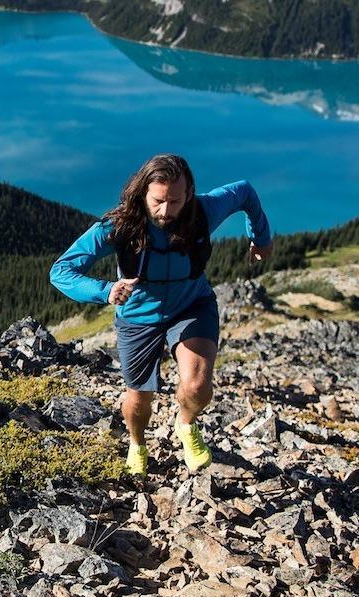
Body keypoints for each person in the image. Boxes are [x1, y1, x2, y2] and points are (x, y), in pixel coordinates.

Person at [48, 153, 273, 476]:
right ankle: (138, 443)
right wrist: (106, 291)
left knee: (197, 386)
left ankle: (186, 425)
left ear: (189, 192)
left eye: (175, 201)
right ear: (142, 193)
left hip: (192, 305)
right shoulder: (120, 226)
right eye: (157, 201)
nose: (166, 211)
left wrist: (261, 238)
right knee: (139, 401)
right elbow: (62, 270)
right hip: (138, 317)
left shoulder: (204, 211)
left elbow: (245, 191)